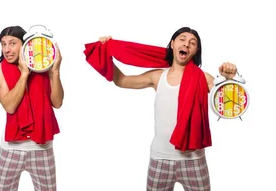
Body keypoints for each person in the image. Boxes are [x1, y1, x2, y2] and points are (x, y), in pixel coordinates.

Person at [84, 27, 238, 191]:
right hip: (160, 158)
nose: (186, 44)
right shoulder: (157, 77)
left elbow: (229, 102)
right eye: (182, 39)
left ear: (195, 51)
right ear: (172, 44)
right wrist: (105, 51)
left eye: (192, 43)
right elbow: (121, 80)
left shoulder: (204, 78)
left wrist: (227, 79)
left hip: (193, 159)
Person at [0, 26, 64, 191]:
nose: (7, 49)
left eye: (12, 43)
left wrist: (55, 71)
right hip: (11, 149)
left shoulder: (45, 66)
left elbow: (58, 103)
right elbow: (9, 107)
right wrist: (24, 75)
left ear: (25, 44)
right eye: (3, 44)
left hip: (42, 147)